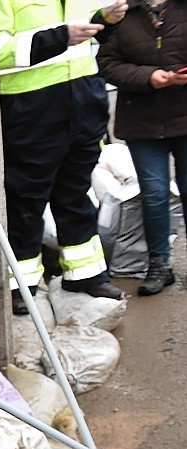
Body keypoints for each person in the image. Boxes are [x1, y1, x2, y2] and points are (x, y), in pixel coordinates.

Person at [0, 0, 129, 314]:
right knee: (26, 198)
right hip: (31, 105)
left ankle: (85, 275)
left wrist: (105, 20)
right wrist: (60, 37)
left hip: (82, 98)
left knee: (76, 192)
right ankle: (20, 286)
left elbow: (88, 38)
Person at [97, 1, 187, 296]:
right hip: (142, 121)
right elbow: (107, 64)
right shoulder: (122, 15)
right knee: (154, 194)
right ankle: (159, 264)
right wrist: (149, 77)